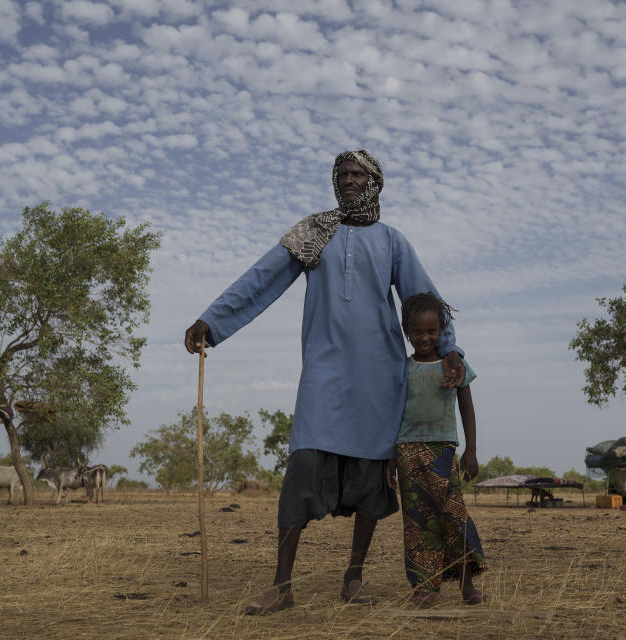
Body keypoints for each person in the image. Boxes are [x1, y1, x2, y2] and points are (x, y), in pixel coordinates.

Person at [184, 150, 465, 615]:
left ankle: (353, 577)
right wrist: (212, 321)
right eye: (343, 174)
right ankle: (282, 584)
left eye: (359, 174)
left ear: (375, 181)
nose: (350, 180)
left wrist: (450, 347)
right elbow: (261, 279)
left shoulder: (393, 241)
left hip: (380, 379)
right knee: (303, 468)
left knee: (373, 480)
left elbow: (424, 299)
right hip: (324, 373)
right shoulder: (313, 233)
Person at [387, 292, 486, 607]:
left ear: (443, 331)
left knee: (453, 516)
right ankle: (424, 587)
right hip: (407, 452)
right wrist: (390, 457)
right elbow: (393, 415)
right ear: (408, 332)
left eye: (432, 331)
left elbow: (467, 408)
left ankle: (467, 585)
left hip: (443, 450)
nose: (425, 337)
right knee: (417, 522)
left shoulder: (453, 365)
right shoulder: (403, 369)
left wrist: (470, 450)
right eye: (418, 332)